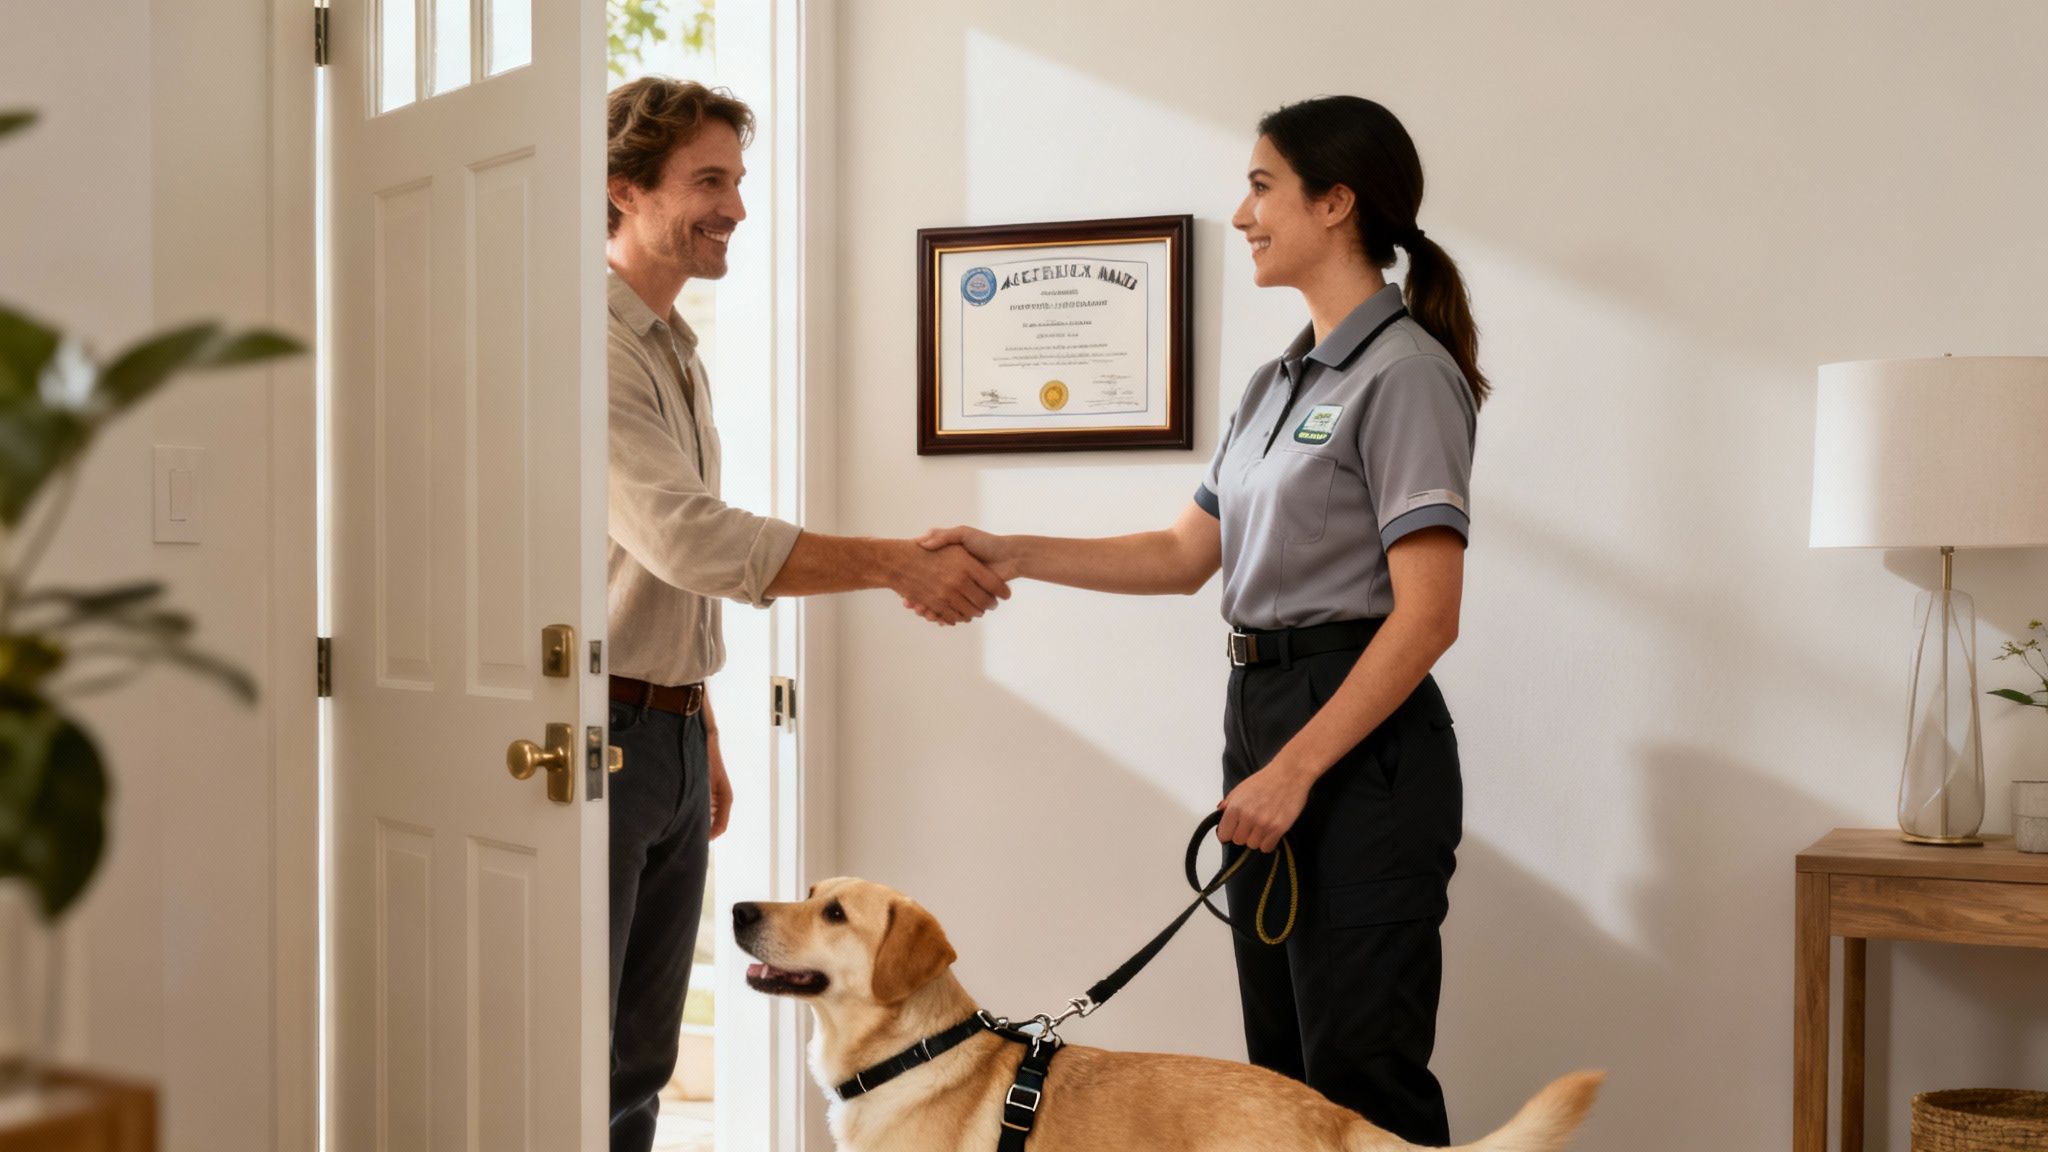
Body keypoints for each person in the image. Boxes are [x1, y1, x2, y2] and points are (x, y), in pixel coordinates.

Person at [918, 95, 1484, 1144]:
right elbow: (1183, 555)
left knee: (1362, 1076)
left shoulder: (1404, 375)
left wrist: (1297, 769)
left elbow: (1427, 618)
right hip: (1263, 712)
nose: (1241, 213)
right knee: (1280, 1082)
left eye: (1262, 186)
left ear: (1336, 202)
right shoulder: (1275, 384)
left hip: (1358, 741)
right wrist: (1016, 553)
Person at [604, 76, 1009, 1152]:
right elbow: (690, 539)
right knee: (580, 1051)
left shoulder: (670, 348)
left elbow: (651, 574)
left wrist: (699, 720)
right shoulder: (589, 347)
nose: (734, 205)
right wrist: (895, 567)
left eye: (736, 180)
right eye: (707, 180)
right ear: (621, 190)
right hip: (589, 736)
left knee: (638, 1054)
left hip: (665, 729)